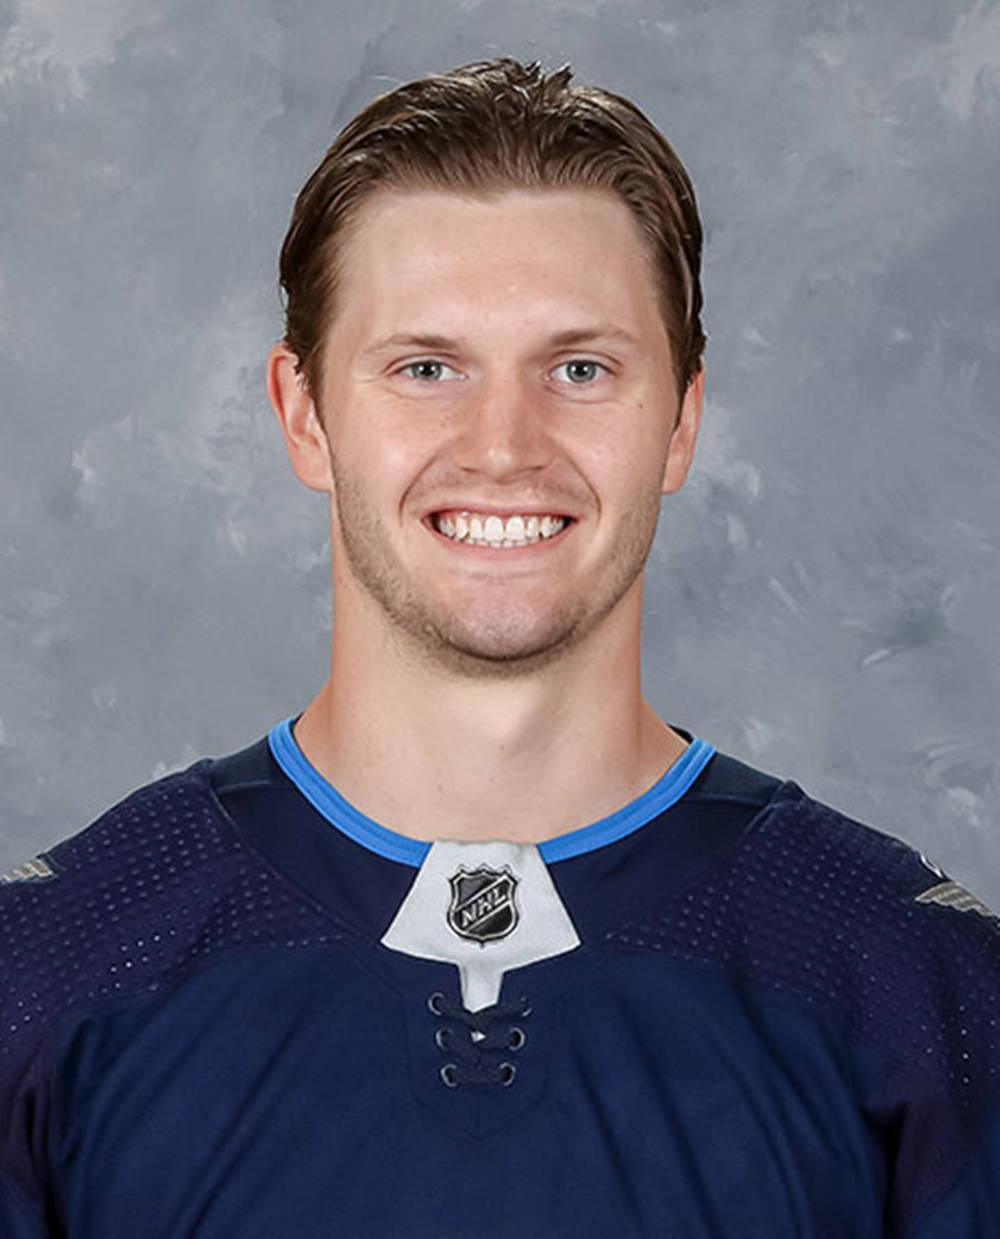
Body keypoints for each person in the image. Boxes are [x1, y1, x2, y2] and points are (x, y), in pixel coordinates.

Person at [1, 56, 998, 1239]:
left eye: (580, 369)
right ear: (304, 413)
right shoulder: (49, 973)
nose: (503, 445)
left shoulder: (920, 986)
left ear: (679, 419)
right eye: (426, 368)